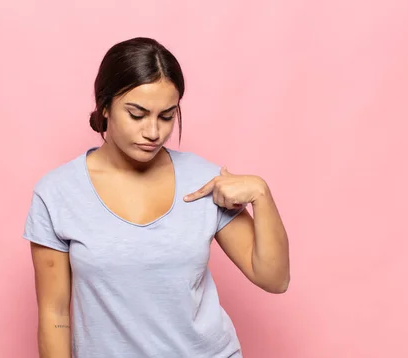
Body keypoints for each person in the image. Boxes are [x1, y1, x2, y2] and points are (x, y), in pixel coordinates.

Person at [22, 37, 290, 358]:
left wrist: (262, 194)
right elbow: (55, 315)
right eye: (137, 114)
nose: (153, 132)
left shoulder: (203, 181)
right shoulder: (58, 193)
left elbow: (274, 279)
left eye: (166, 116)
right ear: (105, 106)